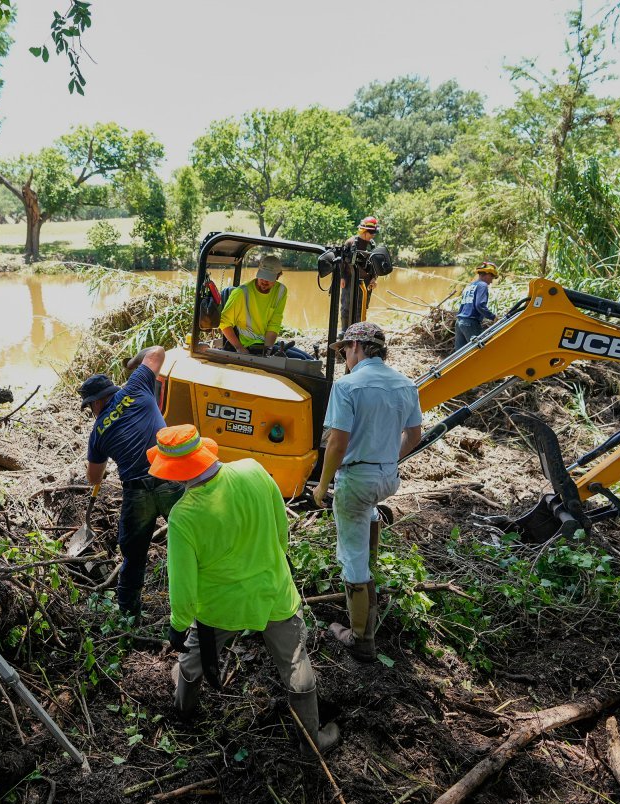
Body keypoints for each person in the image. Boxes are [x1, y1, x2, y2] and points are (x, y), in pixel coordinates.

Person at [152, 424, 339, 754]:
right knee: (296, 665)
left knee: (192, 659)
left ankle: (183, 711)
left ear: (176, 471)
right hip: (273, 594)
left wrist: (178, 625)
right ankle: (312, 741)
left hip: (220, 608)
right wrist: (277, 561)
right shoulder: (253, 470)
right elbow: (281, 529)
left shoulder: (184, 515)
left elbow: (183, 584)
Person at [313, 323, 422, 661]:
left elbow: (337, 442)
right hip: (387, 478)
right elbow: (414, 435)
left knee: (352, 555)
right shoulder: (405, 384)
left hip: (357, 478)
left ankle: (361, 639)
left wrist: (323, 484)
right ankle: (372, 572)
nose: (345, 358)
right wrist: (387, 460)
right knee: (368, 511)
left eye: (345, 351)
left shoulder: (347, 386)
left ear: (357, 347)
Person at [80, 346, 184, 620]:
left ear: (96, 402)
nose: (91, 411)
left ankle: (128, 615)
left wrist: (104, 454)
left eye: (89, 406)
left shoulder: (98, 431)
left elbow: (93, 478)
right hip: (170, 478)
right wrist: (132, 364)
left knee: (134, 556)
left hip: (138, 492)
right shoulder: (136, 385)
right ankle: (200, 604)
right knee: (194, 540)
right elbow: (157, 351)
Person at [219, 255, 312, 360]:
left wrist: (268, 350)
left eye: (269, 278)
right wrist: (239, 348)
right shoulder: (241, 293)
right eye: (262, 276)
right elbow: (224, 322)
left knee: (309, 359)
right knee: (301, 359)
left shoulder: (281, 291)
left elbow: (274, 323)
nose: (264, 281)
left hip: (266, 344)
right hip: (248, 344)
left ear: (278, 276)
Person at [339, 217, 381, 332]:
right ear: (364, 231)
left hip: (366, 282)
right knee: (346, 307)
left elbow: (375, 264)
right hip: (350, 280)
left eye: (374, 233)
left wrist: (374, 278)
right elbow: (342, 262)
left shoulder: (372, 245)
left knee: (361, 308)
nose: (373, 235)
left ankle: (358, 332)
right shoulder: (350, 243)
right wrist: (342, 277)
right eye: (371, 233)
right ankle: (344, 331)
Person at [454, 261, 499, 350]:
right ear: (487, 274)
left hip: (459, 322)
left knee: (461, 353)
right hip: (470, 323)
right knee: (481, 350)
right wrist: (493, 317)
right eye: (492, 277)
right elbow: (479, 305)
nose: (491, 281)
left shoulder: (470, 286)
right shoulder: (483, 285)